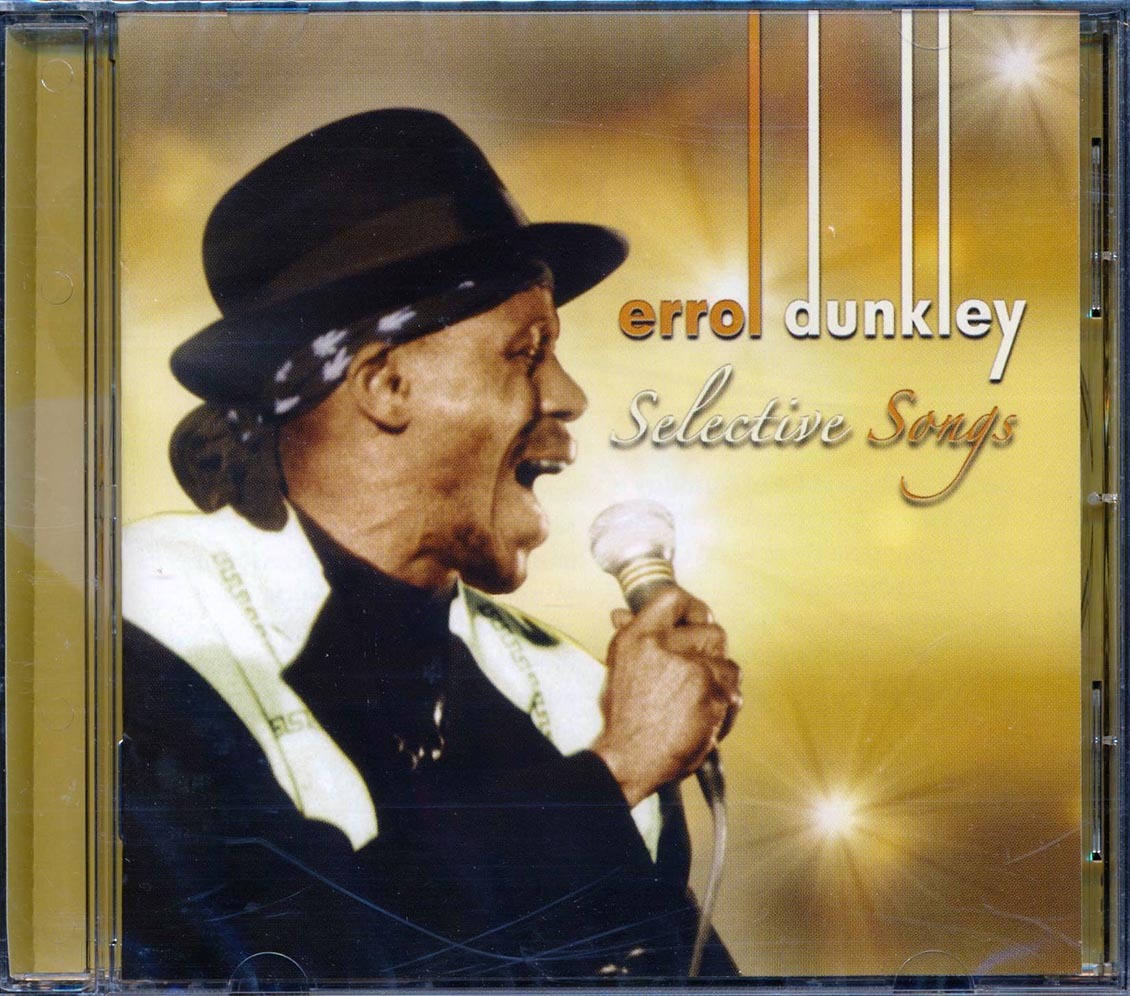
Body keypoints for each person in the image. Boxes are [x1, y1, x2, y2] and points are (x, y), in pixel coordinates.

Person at [121, 109, 742, 986]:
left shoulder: (563, 695)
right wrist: (616, 771)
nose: (568, 396)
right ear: (385, 384)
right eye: (527, 352)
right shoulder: (146, 646)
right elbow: (295, 958)